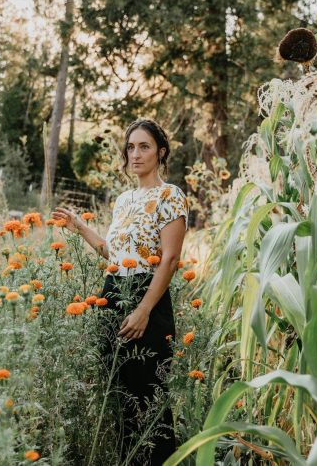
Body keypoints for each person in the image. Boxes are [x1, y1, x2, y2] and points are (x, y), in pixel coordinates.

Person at [52, 118, 189, 465]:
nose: (136, 154)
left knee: (150, 403)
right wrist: (81, 228)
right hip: (113, 295)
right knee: (121, 400)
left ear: (160, 151)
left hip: (148, 299)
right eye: (130, 147)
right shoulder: (124, 200)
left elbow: (170, 259)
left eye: (144, 146)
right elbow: (115, 254)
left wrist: (143, 310)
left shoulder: (170, 196)